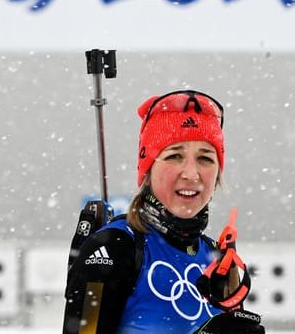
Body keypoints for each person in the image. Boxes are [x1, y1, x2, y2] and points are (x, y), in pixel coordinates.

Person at [62, 90, 265, 333]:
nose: (191, 173)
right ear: (147, 169)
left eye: (205, 158)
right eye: (175, 156)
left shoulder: (216, 256)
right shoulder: (114, 247)